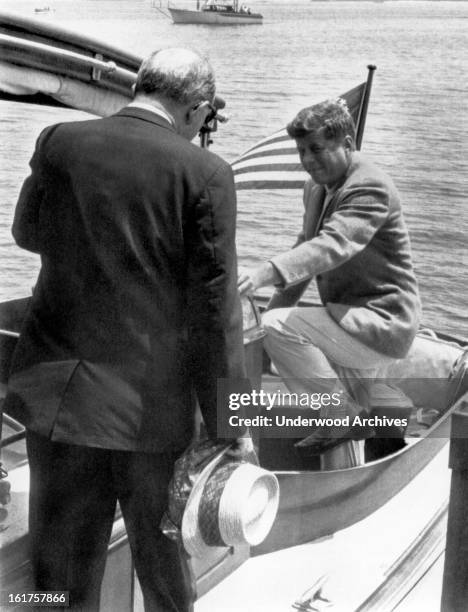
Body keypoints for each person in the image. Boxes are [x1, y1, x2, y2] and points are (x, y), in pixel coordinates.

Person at [4, 48, 252, 611]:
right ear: (197, 108)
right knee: (164, 571)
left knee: (61, 584)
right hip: (151, 415)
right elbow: (216, 314)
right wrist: (227, 423)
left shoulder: (59, 141)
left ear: (141, 86)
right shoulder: (205, 173)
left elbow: (26, 232)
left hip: (59, 406)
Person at [238, 99, 421, 454]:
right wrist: (259, 335)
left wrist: (265, 275)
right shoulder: (317, 187)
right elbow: (308, 251)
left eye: (316, 149)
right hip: (348, 319)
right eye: (302, 150)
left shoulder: (370, 186)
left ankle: (343, 416)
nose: (307, 160)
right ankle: (349, 463)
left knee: (280, 327)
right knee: (341, 421)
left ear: (348, 144)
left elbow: (331, 246)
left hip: (381, 325)